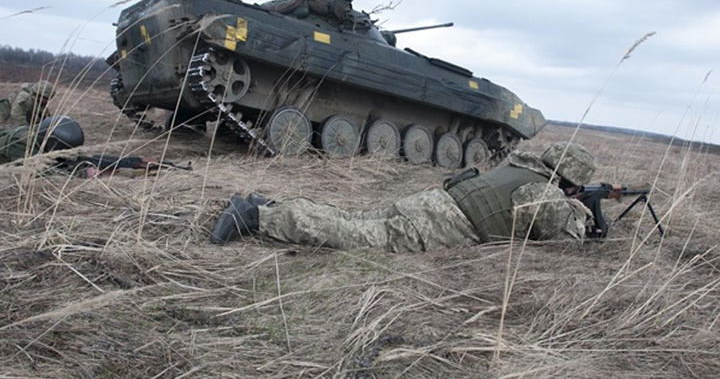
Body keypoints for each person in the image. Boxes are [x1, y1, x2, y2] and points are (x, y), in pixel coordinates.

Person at [210, 142, 597, 251]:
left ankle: (265, 203)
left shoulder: (520, 167)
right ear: (570, 180)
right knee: (350, 236)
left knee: (351, 218)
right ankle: (255, 218)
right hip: (436, 226)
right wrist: (580, 211)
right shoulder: (542, 191)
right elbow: (566, 242)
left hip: (427, 203)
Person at [0, 115, 84, 164]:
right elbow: (44, 172)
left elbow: (72, 155)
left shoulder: (42, 131)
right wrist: (81, 172)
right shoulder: (22, 144)